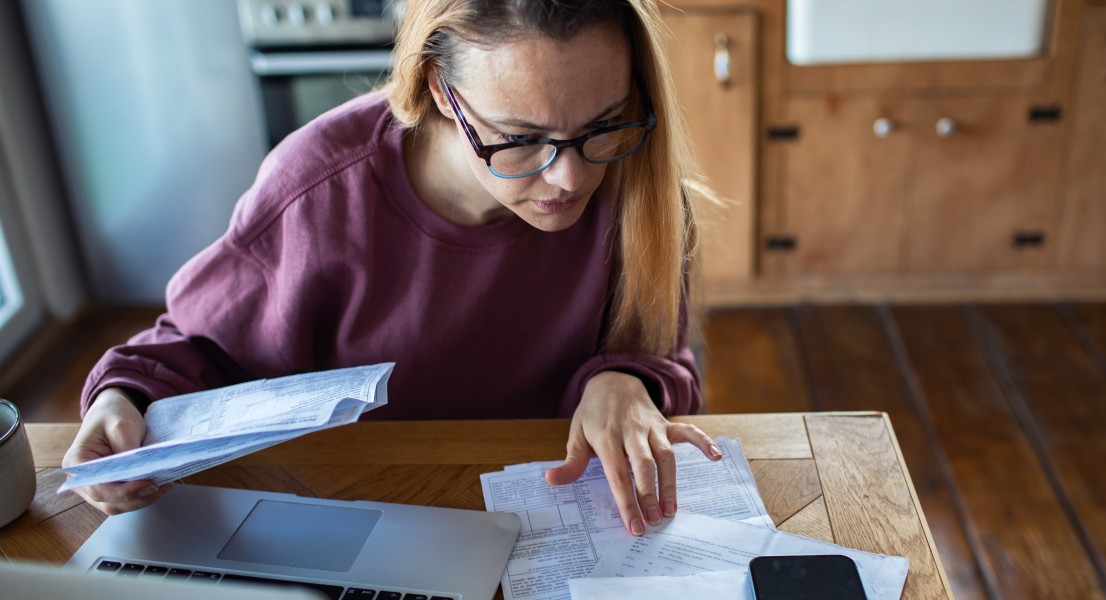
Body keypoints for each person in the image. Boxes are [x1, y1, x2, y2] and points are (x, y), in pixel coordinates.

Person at [62, 0, 722, 537]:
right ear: (441, 91)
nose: (571, 178)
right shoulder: (316, 193)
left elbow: (662, 353)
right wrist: (124, 400)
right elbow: (195, 346)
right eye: (521, 139)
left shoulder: (639, 178)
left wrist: (627, 383)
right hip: (356, 517)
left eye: (602, 125)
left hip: (556, 521)